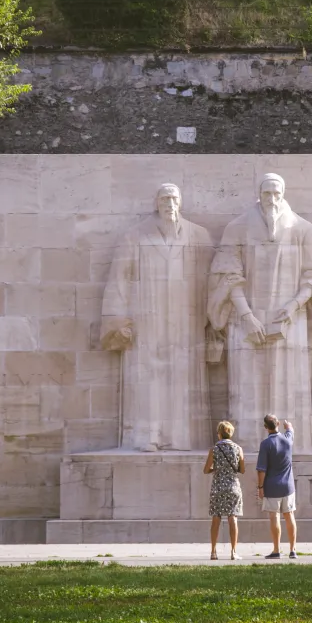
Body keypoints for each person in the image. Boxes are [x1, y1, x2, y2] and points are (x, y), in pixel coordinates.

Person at [208, 174, 312, 451]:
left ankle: (291, 446)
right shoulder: (237, 227)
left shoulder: (302, 228)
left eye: (277, 193)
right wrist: (246, 316)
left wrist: (293, 306)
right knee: (247, 386)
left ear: (283, 194)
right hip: (245, 320)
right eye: (267, 193)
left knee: (289, 384)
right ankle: (247, 446)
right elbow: (227, 275)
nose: (272, 199)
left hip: (291, 322)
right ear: (260, 194)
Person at [101, 183, 215, 451]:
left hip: (187, 319)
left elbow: (212, 280)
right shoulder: (135, 236)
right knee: (149, 376)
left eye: (174, 198)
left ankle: (182, 437)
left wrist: (213, 322)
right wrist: (118, 320)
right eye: (164, 199)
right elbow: (119, 279)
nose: (169, 204)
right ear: (156, 203)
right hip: (146, 318)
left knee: (183, 374)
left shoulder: (199, 236)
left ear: (180, 202)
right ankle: (148, 436)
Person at [255, 415, 298, 559]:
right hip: (288, 486)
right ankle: (292, 550)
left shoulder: (265, 444)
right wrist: (288, 426)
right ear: (277, 423)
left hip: (272, 486)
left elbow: (261, 469)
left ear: (265, 427)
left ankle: (276, 550)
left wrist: (260, 487)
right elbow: (290, 431)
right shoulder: (287, 440)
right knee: (289, 516)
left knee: (274, 517)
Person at [202, 420, 245, 560]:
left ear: (219, 434)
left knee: (216, 518)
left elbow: (206, 470)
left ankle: (213, 552)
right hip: (233, 487)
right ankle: (233, 552)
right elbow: (242, 470)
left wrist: (217, 469)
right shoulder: (238, 449)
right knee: (233, 517)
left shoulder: (214, 449)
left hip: (218, 487)